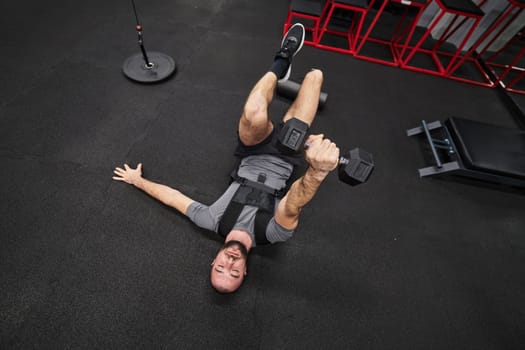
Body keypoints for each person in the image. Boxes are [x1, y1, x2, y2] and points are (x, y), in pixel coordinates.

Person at [112, 23, 340, 293]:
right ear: (244, 272)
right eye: (234, 273)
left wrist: (138, 182)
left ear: (214, 261)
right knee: (315, 76)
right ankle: (295, 88)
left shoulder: (212, 220)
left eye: (221, 268)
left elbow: (174, 198)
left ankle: (283, 58)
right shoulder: (273, 234)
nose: (229, 264)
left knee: (254, 111)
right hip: (289, 155)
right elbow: (295, 201)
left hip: (252, 151)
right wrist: (317, 172)